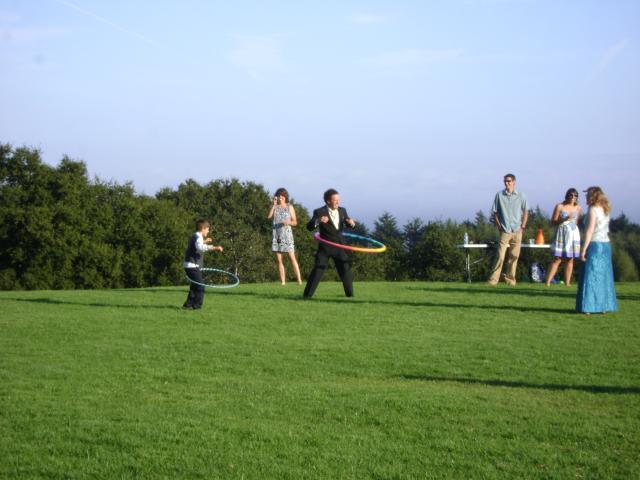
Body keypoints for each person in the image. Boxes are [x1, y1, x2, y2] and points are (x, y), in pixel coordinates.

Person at [303, 188, 356, 299]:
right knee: (318, 269)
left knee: (345, 270)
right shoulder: (319, 212)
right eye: (335, 200)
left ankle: (350, 296)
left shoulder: (342, 210)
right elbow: (309, 226)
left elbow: (347, 222)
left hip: (339, 246)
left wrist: (351, 223)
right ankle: (307, 296)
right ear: (328, 201)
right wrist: (318, 221)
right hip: (325, 247)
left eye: (339, 200)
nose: (338, 202)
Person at [576, 186, 618, 314]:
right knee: (603, 277)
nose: (585, 198)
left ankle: (589, 307)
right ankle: (603, 306)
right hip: (605, 245)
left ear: (593, 197)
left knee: (591, 276)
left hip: (595, 245)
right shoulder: (605, 209)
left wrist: (583, 249)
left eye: (587, 196)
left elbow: (589, 231)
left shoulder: (593, 210)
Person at [487, 173, 529, 285]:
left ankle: (511, 280)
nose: (507, 183)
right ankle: (493, 280)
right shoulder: (499, 195)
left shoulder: (521, 195)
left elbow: (526, 211)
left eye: (509, 181)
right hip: (505, 230)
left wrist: (522, 226)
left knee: (514, 257)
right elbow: (495, 212)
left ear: (514, 182)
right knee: (500, 256)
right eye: (505, 181)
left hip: (517, 230)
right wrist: (499, 226)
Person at [545, 188, 583, 286]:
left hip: (573, 234)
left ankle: (567, 283)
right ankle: (547, 282)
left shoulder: (578, 208)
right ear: (567, 195)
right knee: (557, 258)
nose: (573, 197)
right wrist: (564, 219)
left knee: (570, 259)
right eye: (571, 195)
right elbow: (553, 222)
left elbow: (577, 221)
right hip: (561, 233)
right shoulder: (560, 206)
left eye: (575, 195)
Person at [183, 219, 223, 310]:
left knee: (194, 286)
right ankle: (197, 306)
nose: (208, 231)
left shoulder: (196, 236)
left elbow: (197, 245)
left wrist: (205, 242)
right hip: (192, 265)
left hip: (190, 265)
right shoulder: (198, 237)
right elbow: (200, 247)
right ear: (203, 228)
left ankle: (188, 305)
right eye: (208, 229)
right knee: (200, 286)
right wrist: (214, 247)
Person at [267, 187, 302, 285]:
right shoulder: (275, 207)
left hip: (287, 235)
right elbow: (269, 217)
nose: (280, 197)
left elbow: (295, 222)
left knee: (292, 257)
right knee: (279, 260)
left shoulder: (289, 207)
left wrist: (289, 222)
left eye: (282, 196)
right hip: (277, 235)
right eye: (279, 196)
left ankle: (299, 280)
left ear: (285, 196)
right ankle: (283, 282)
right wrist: (274, 205)